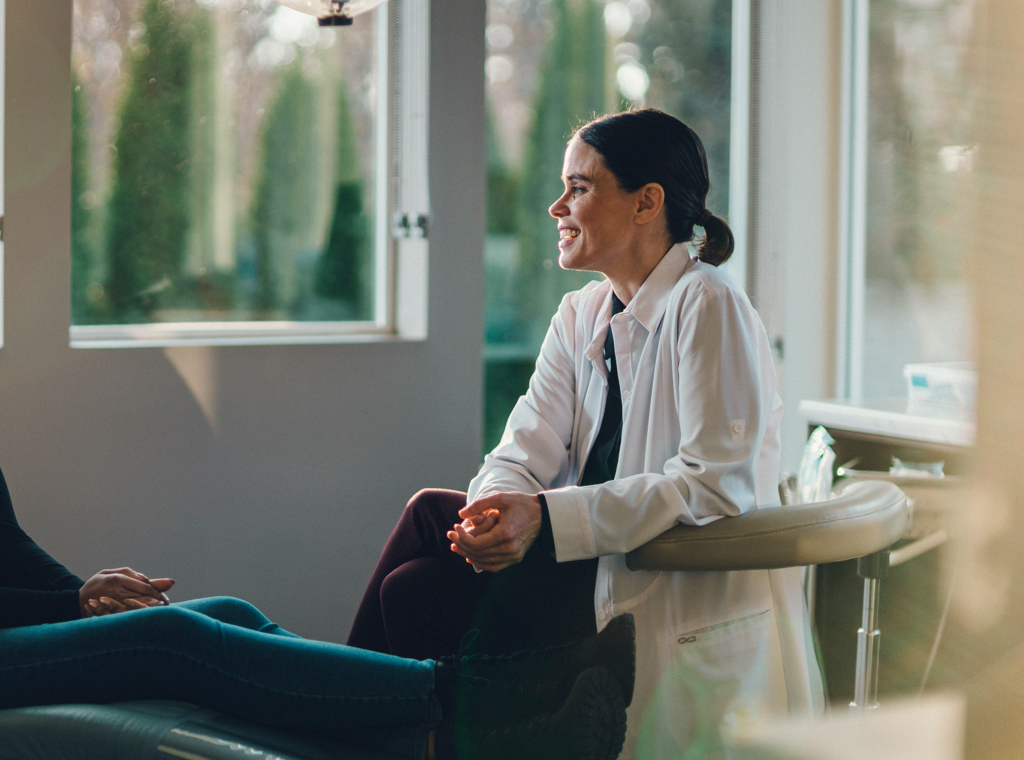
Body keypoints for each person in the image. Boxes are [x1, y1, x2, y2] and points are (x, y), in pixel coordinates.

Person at [0, 98, 635, 760]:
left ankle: (411, 736)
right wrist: (67, 613)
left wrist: (87, 596)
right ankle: (484, 709)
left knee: (227, 614)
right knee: (172, 640)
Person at [347, 109, 822, 758]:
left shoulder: (707, 305)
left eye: (579, 187)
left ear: (646, 202)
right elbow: (522, 446)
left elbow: (715, 486)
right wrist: (498, 511)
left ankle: (333, 723)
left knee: (427, 534)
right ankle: (359, 728)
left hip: (647, 591)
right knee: (418, 583)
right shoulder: (582, 314)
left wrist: (542, 518)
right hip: (581, 577)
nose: (555, 207)